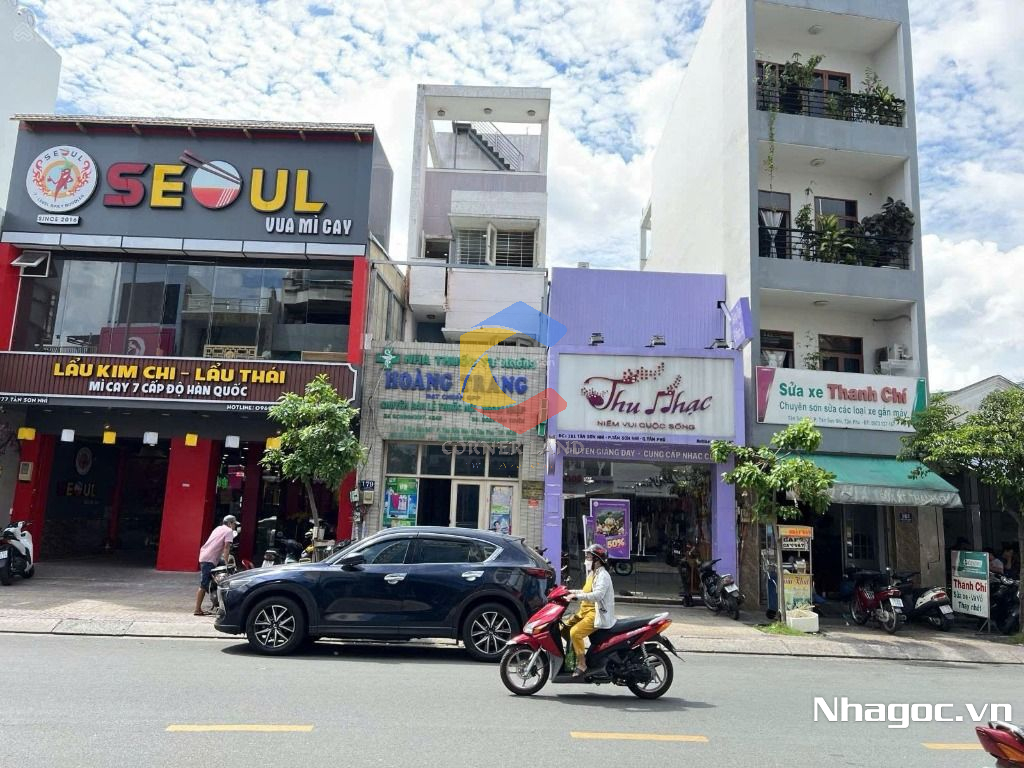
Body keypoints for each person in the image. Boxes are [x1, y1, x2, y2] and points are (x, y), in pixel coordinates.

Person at [564, 544, 616, 677]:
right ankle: (571, 658)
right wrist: (567, 592)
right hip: (584, 612)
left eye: (589, 557)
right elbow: (585, 591)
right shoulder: (593, 574)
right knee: (564, 627)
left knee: (575, 633)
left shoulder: (603, 576)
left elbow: (597, 595)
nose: (586, 559)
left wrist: (576, 596)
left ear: (597, 560)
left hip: (596, 614)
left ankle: (582, 664)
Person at [194, 514, 238, 616]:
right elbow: (226, 547)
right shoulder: (229, 531)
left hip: (207, 555)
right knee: (204, 584)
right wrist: (226, 563)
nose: (235, 526)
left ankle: (218, 602)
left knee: (221, 578)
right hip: (209, 559)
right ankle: (197, 609)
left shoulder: (218, 528)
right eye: (234, 524)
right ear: (229, 523)